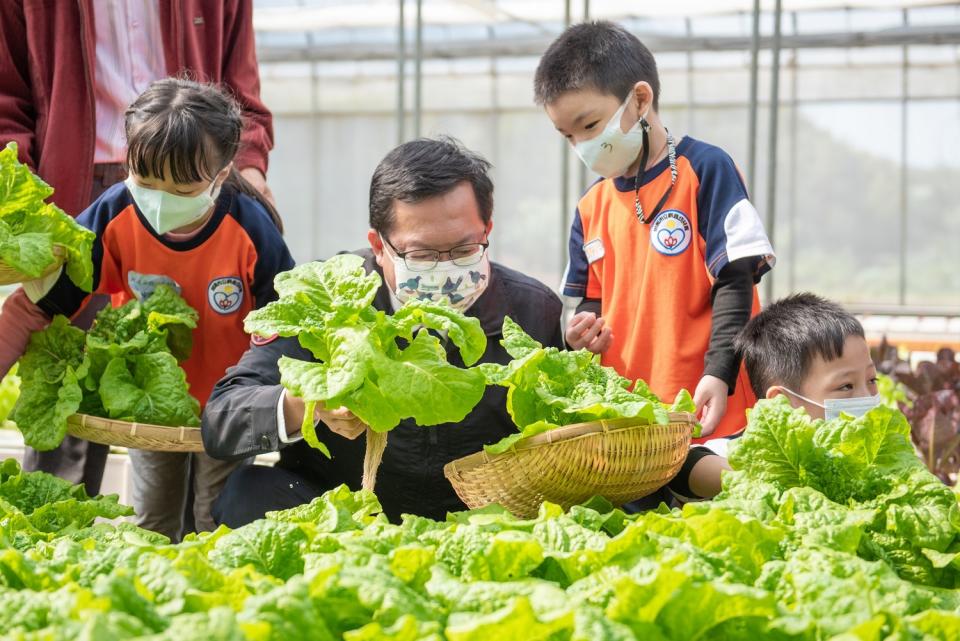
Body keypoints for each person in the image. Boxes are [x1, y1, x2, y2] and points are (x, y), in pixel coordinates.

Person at [203, 137, 568, 525]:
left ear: (487, 229)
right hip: (342, 521)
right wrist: (307, 404)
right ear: (378, 246)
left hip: (480, 524)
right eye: (422, 256)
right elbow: (222, 419)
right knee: (248, 492)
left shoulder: (532, 310)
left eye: (464, 251)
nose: (445, 271)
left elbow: (564, 441)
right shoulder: (326, 295)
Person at [0, 79, 294, 541]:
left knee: (213, 520)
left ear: (221, 174)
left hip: (230, 404)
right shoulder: (114, 215)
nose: (160, 197)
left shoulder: (249, 228)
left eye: (183, 186)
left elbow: (283, 321)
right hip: (151, 406)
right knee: (153, 522)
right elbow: (36, 305)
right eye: (146, 179)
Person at [534, 21, 776, 442]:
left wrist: (720, 373)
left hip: (705, 403)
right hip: (628, 417)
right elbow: (593, 299)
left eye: (589, 126)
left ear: (640, 99)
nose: (581, 146)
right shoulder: (591, 205)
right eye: (567, 135)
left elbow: (734, 281)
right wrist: (580, 333)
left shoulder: (704, 170)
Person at [734, 293, 880, 421]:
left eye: (872, 380)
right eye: (846, 386)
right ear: (780, 404)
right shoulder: (725, 452)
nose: (867, 398)